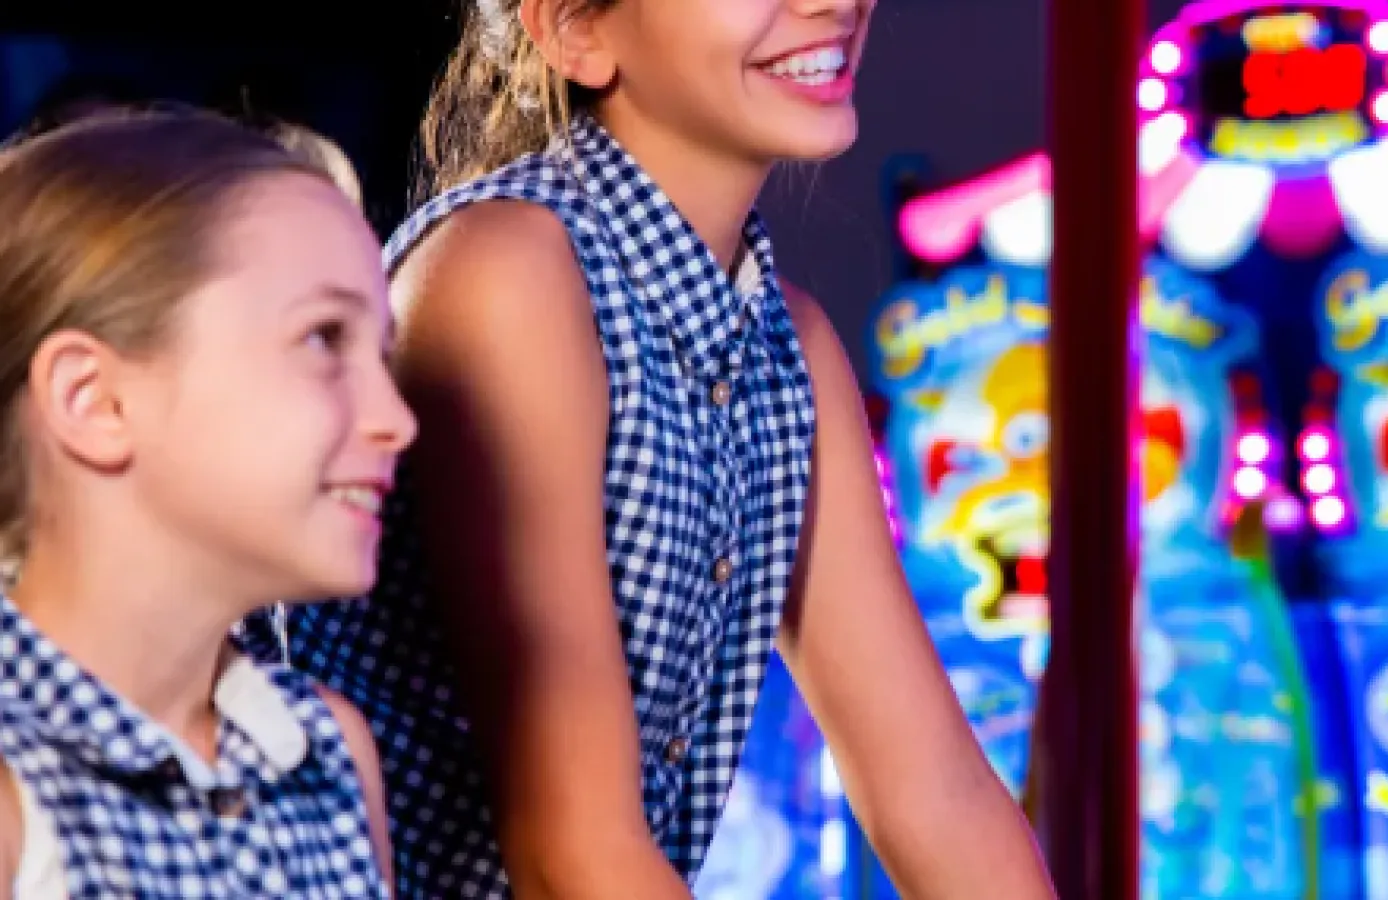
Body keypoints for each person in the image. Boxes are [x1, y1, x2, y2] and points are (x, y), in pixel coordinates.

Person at [264, 0, 1058, 896]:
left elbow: (934, 796)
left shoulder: (787, 343)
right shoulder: (509, 273)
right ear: (575, 33)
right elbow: (568, 854)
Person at [0, 110, 414, 898]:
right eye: (324, 339)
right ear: (94, 399)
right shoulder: (15, 794)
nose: (398, 418)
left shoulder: (329, 753)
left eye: (382, 353)